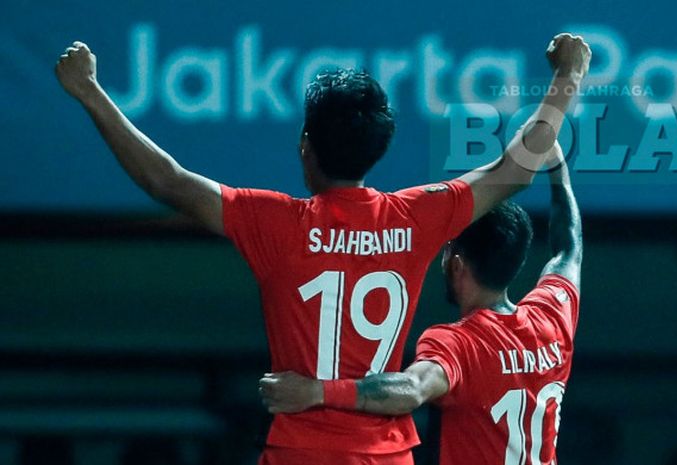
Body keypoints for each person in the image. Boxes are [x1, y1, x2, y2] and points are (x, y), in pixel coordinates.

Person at [55, 34, 590, 465]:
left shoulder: (276, 224)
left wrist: (90, 93)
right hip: (386, 455)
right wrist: (568, 76)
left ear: (305, 146)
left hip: (302, 450)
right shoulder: (417, 218)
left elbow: (167, 181)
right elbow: (517, 168)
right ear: (378, 149)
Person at [259, 143, 582, 465]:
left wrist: (316, 391)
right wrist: (559, 173)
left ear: (456, 263)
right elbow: (568, 247)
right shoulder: (553, 315)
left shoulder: (458, 343)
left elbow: (412, 389)